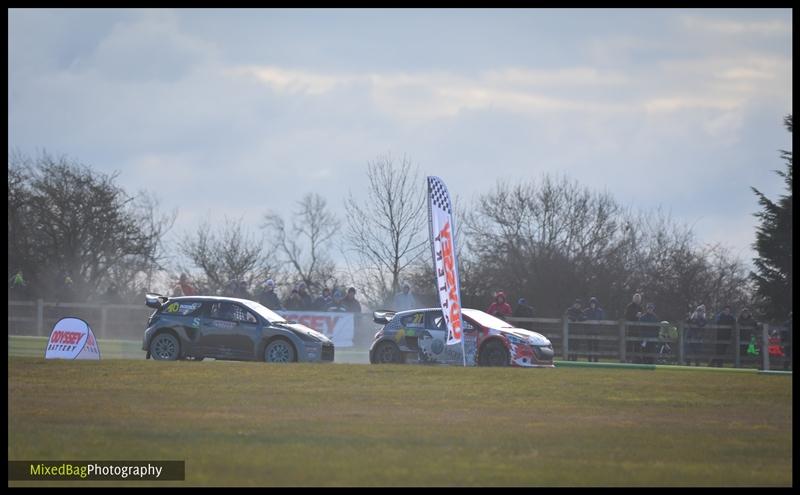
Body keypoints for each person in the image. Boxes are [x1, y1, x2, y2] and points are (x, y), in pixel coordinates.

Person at [582, 297, 604, 362]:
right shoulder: (586, 311)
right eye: (591, 303)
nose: (592, 304)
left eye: (594, 303)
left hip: (597, 331)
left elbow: (602, 320)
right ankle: (589, 360)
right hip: (589, 331)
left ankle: (596, 360)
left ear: (596, 304)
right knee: (589, 346)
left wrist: (600, 329)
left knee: (596, 346)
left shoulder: (600, 311)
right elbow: (582, 318)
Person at [624, 293, 644, 362]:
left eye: (638, 299)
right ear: (633, 299)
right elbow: (626, 316)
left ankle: (636, 360)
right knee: (629, 345)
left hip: (638, 329)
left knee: (637, 345)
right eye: (636, 298)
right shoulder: (629, 306)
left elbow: (642, 317)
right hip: (630, 329)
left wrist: (640, 317)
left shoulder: (641, 307)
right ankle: (627, 359)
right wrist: (635, 316)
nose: (637, 300)